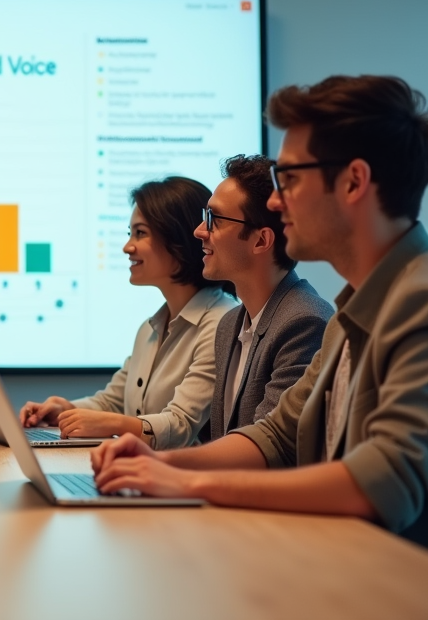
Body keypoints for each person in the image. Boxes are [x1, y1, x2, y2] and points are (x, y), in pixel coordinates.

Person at [93, 75, 428, 547]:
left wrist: (188, 483)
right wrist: (161, 464)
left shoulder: (417, 301)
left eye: (288, 179)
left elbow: (388, 479)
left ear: (353, 182)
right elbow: (274, 434)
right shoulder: (352, 313)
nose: (274, 200)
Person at [21, 177, 237, 449]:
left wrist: (113, 424)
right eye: (130, 234)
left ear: (178, 240)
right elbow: (112, 401)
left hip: (180, 480)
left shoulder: (222, 322)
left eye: (140, 233)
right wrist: (64, 411)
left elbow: (180, 424)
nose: (127, 247)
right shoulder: (151, 328)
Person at [198, 154, 333, 440]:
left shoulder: (305, 321)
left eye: (214, 219)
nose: (199, 231)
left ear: (261, 240)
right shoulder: (228, 325)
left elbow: (269, 445)